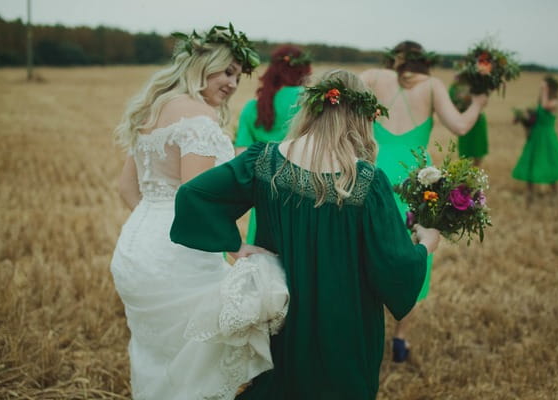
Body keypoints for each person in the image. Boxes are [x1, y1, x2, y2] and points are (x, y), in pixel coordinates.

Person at [170, 70, 441, 400]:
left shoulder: (264, 159)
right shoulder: (368, 182)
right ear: (360, 116)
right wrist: (426, 245)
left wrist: (236, 246)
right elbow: (395, 266)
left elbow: (193, 196)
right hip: (346, 330)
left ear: (311, 108)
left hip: (279, 319)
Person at [110, 24, 289, 400]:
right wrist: (236, 248)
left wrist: (154, 223)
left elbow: (126, 188)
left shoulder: (152, 110)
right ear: (201, 66)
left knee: (157, 354)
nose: (232, 83)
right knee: (195, 359)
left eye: (238, 77)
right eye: (227, 72)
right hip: (180, 255)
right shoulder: (199, 118)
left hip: (135, 250)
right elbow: (196, 199)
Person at [360, 40, 488, 362]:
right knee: (414, 249)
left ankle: (363, 328)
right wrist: (478, 102)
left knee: (365, 248)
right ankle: (400, 339)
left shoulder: (373, 77)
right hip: (416, 181)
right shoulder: (432, 86)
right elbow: (459, 125)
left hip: (372, 173)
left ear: (394, 60)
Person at [235, 44, 312, 243]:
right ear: (305, 70)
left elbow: (242, 157)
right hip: (305, 197)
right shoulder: (312, 101)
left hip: (265, 200)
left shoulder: (252, 107)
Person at [512, 76, 558, 205]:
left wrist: (545, 91)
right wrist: (523, 117)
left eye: (544, 86)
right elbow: (535, 115)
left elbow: (546, 106)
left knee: (551, 165)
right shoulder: (541, 101)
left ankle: (556, 195)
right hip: (535, 137)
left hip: (547, 138)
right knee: (531, 163)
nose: (542, 88)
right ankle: (530, 195)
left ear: (550, 88)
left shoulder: (555, 102)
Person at [449, 73, 489, 166]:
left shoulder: (477, 85)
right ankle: (464, 176)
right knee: (464, 152)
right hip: (463, 120)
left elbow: (484, 102)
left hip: (478, 121)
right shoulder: (454, 88)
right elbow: (451, 104)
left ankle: (475, 172)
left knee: (478, 150)